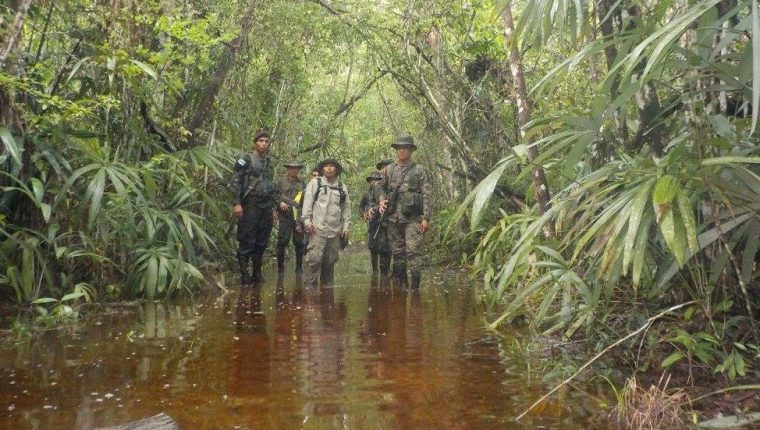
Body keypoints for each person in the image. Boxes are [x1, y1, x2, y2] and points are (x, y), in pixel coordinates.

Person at [378, 136, 431, 289]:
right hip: (394, 218)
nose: (402, 150)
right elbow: (380, 187)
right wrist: (382, 199)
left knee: (413, 252)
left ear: (411, 150)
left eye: (405, 148)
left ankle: (415, 288)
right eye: (399, 148)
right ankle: (402, 287)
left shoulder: (419, 170)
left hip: (413, 219)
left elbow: (427, 194)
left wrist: (426, 218)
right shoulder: (389, 170)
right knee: (398, 253)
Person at [231, 129, 277, 285]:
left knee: (262, 240)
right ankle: (244, 273)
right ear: (255, 142)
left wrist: (273, 208)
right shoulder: (246, 159)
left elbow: (271, 187)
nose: (264, 144)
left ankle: (257, 273)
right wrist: (237, 203)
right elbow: (236, 180)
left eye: (266, 141)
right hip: (250, 203)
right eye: (261, 141)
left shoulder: (269, 163)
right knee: (247, 238)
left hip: (266, 205)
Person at [301, 158, 351, 287]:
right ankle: (310, 292)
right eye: (326, 166)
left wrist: (346, 227)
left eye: (332, 166)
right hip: (317, 229)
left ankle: (327, 295)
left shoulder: (342, 187)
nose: (329, 168)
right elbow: (307, 204)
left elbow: (346, 208)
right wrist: (307, 221)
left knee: (329, 262)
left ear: (336, 169)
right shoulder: (315, 183)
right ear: (322, 169)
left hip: (334, 231)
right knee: (314, 260)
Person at [275, 160, 306, 274]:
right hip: (285, 216)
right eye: (292, 168)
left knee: (299, 242)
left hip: (298, 217)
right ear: (288, 169)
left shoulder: (302, 183)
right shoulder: (281, 181)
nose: (294, 170)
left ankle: (299, 268)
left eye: (296, 168)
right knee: (282, 241)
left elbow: (304, 200)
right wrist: (280, 203)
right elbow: (274, 195)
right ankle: (280, 267)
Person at [359, 169, 390, 276]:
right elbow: (361, 206)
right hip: (372, 223)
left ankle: (384, 271)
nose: (374, 182)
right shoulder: (366, 194)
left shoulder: (385, 191)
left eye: (377, 180)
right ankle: (375, 271)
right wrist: (364, 214)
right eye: (372, 180)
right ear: (369, 182)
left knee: (384, 246)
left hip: (384, 222)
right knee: (372, 246)